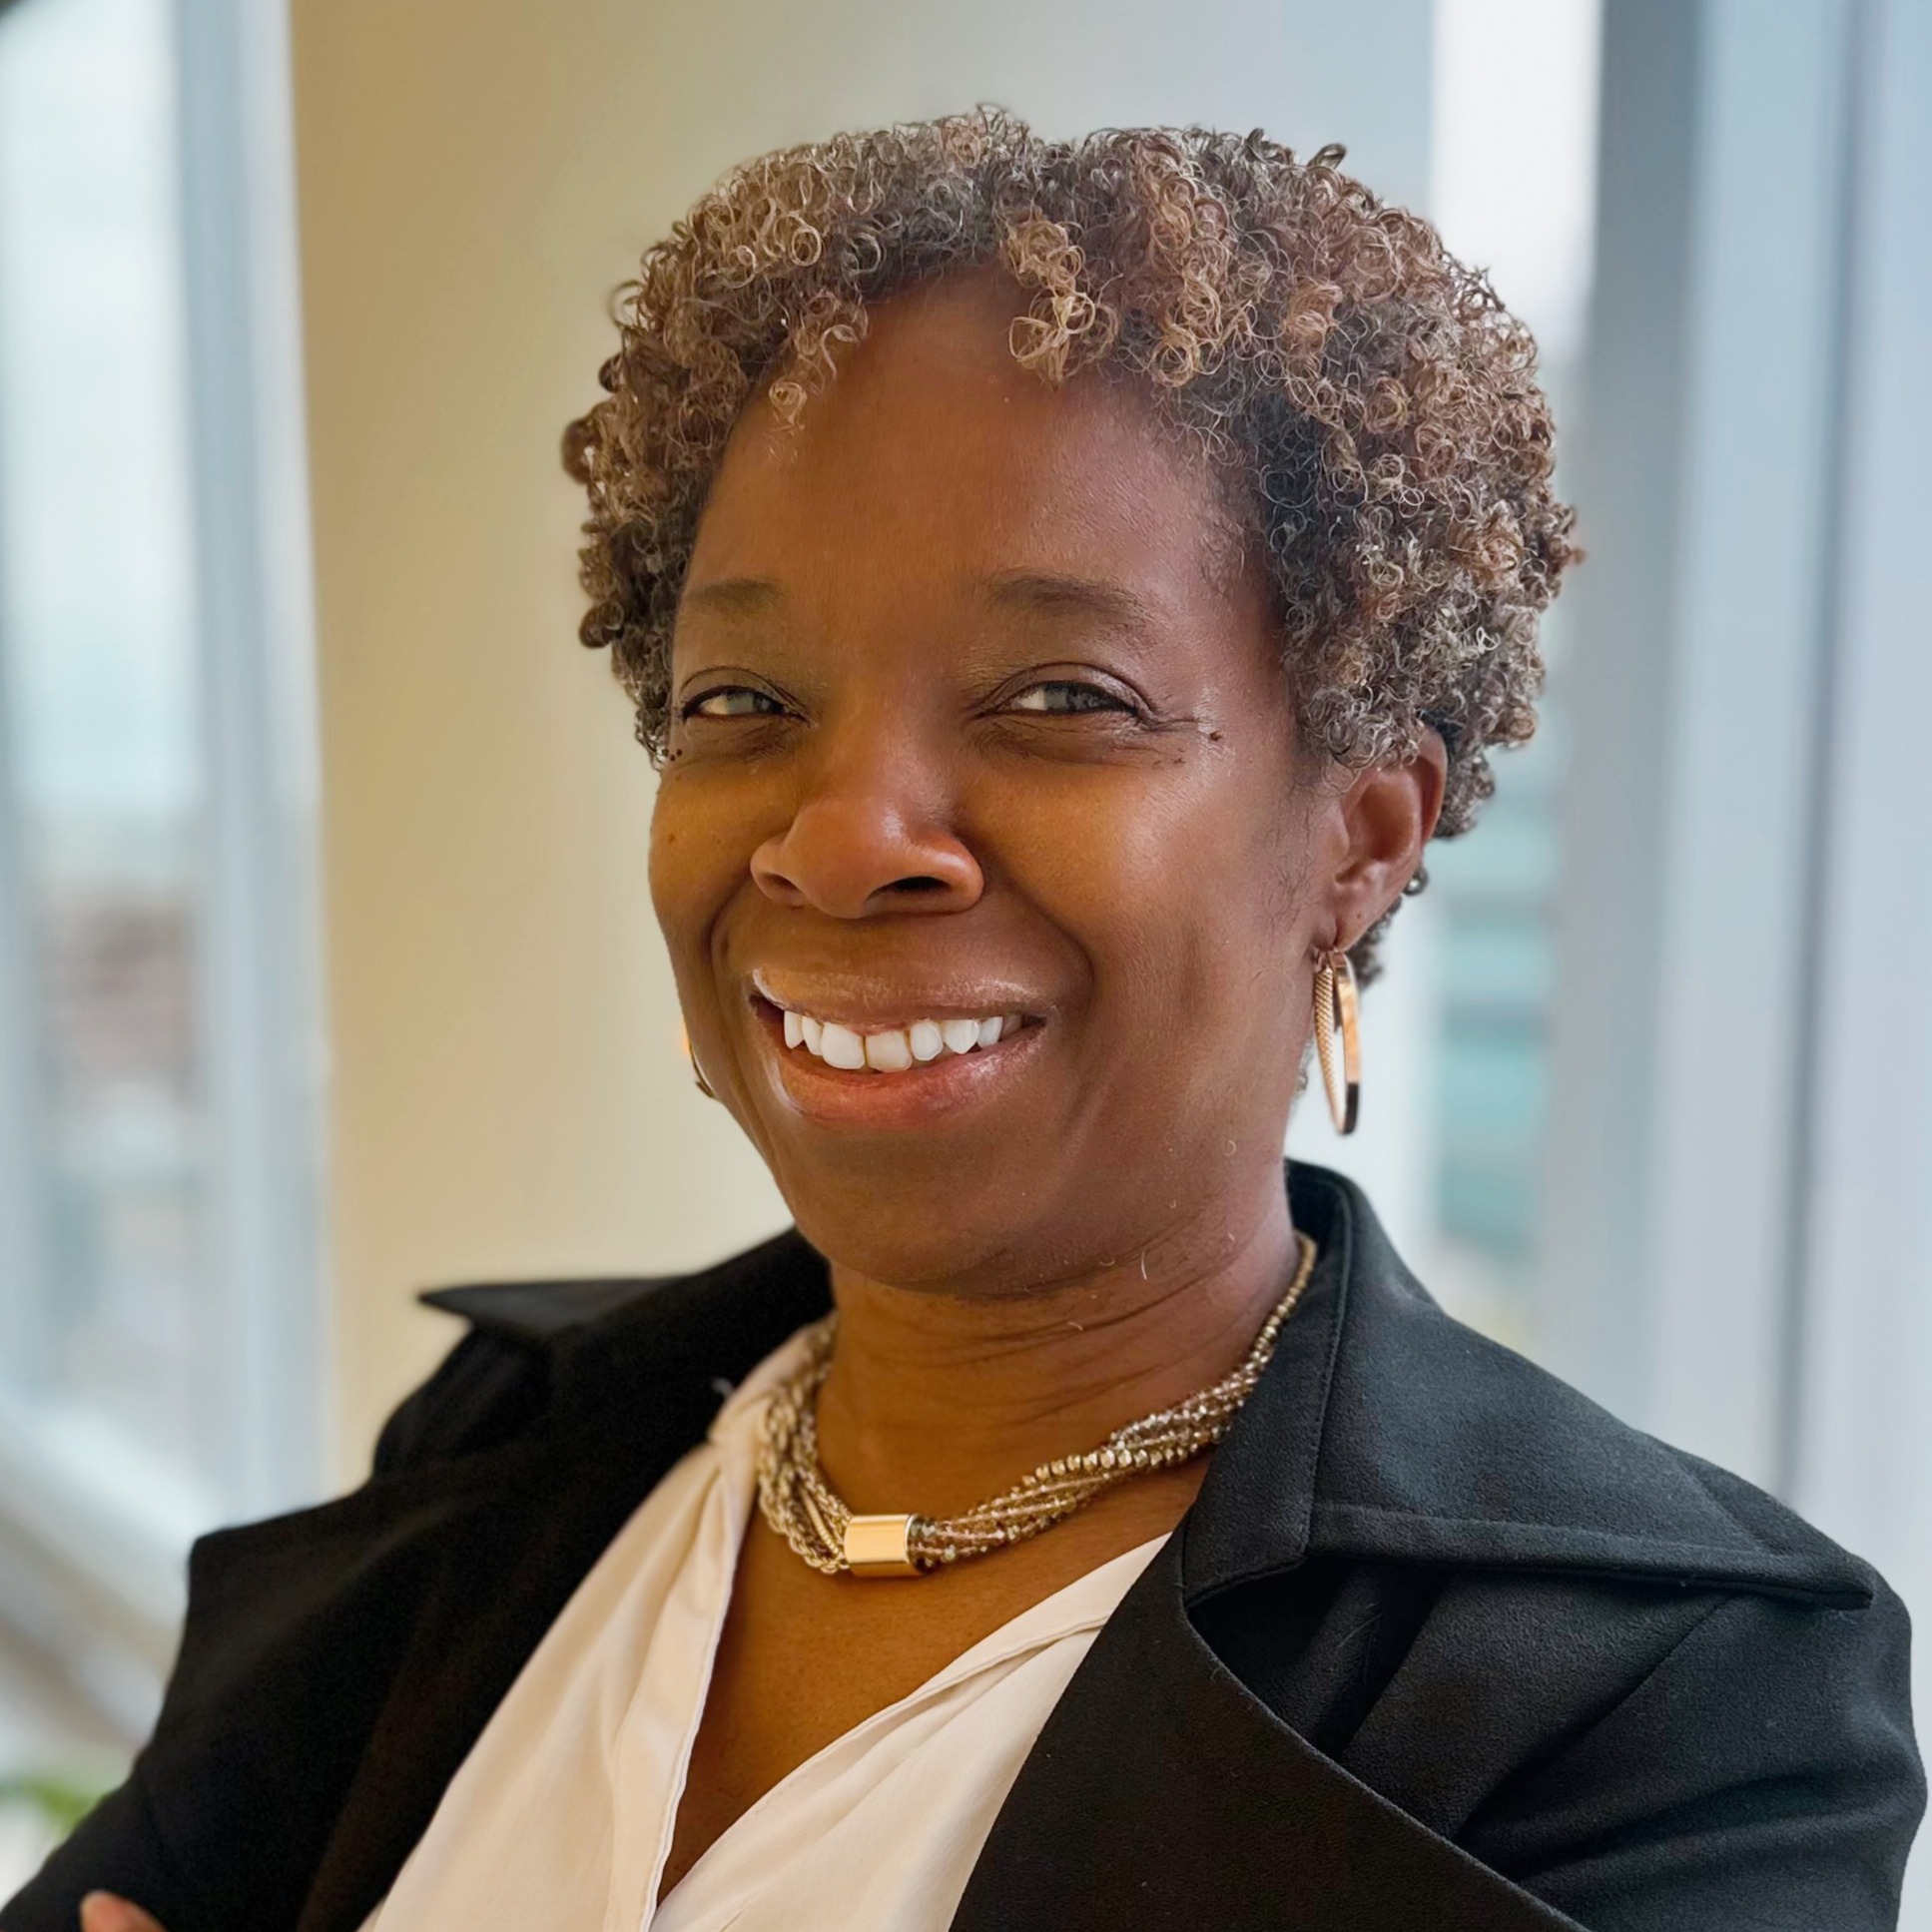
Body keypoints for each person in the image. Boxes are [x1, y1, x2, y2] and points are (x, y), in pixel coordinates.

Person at [10, 112, 1922, 1932]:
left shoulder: (1662, 1703)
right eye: (742, 703)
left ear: (1360, 835)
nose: (842, 843)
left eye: (1062, 697)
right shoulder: (515, 1443)